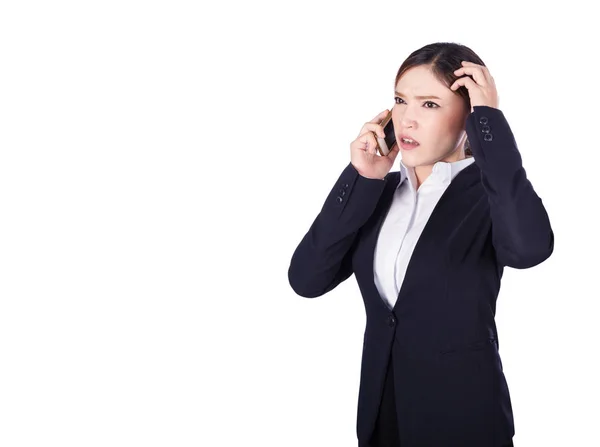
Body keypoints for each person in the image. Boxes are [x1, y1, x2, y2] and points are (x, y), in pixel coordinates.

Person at [287, 42, 554, 447]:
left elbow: (530, 249)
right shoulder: (378, 195)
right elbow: (307, 279)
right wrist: (362, 177)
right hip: (381, 420)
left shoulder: (491, 197)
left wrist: (490, 122)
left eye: (430, 105)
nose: (407, 118)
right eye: (400, 100)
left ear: (467, 115)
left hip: (464, 423)